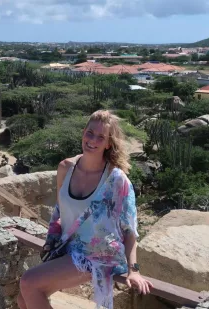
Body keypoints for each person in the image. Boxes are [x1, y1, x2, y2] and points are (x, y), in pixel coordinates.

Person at [17, 110, 154, 309]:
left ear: (108, 143)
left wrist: (134, 270)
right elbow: (61, 212)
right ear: (83, 132)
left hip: (100, 255)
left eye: (101, 137)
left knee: (28, 282)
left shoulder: (116, 180)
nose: (92, 140)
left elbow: (130, 230)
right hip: (71, 250)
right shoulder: (65, 168)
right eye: (90, 133)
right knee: (24, 299)